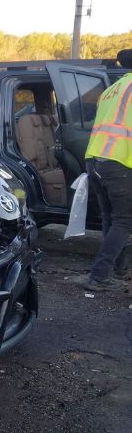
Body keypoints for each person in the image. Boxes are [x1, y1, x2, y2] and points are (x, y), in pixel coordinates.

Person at [74, 49, 132, 292]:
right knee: (124, 221)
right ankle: (98, 276)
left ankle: (118, 270)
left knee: (111, 219)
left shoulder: (113, 89)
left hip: (95, 158)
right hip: (118, 160)